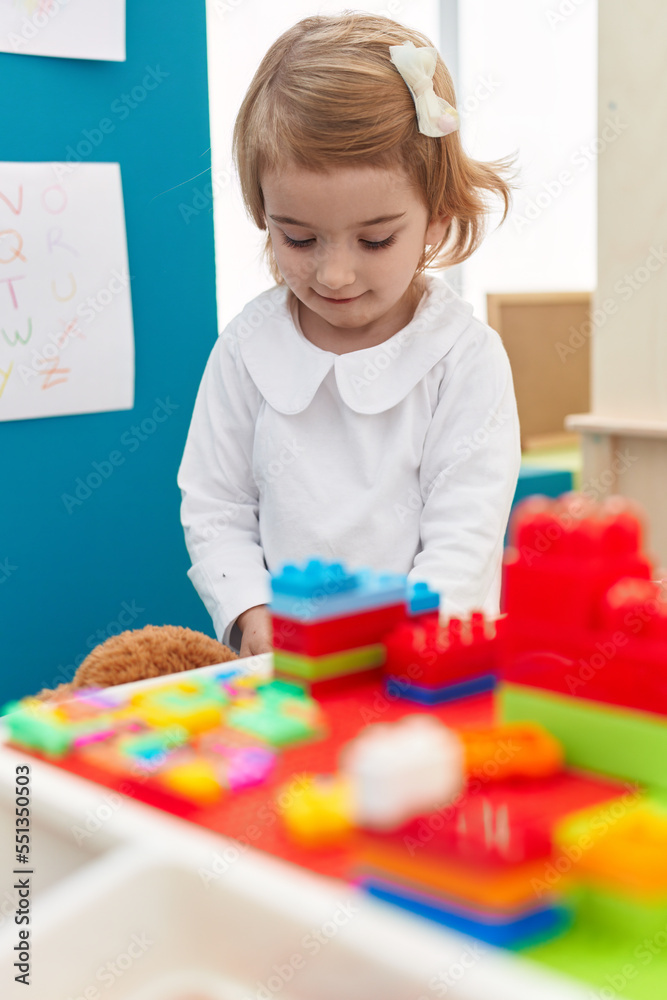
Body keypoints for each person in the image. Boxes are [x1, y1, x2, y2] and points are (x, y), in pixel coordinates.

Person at [177, 12, 521, 658]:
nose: (333, 274)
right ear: (262, 214)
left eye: (375, 239)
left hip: (422, 665)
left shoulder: (462, 358)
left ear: (435, 220)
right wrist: (250, 610)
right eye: (298, 238)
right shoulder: (248, 348)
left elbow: (463, 538)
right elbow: (215, 504)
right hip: (287, 665)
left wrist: (412, 647)